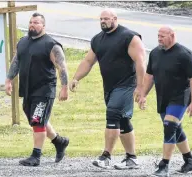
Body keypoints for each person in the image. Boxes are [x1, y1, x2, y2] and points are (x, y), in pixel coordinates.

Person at [69, 8, 146, 170]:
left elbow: (140, 62)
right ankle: (131, 158)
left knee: (112, 114)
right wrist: (76, 77)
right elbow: (88, 61)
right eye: (101, 19)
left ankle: (106, 156)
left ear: (115, 19)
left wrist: (140, 87)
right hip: (109, 86)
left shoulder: (129, 37)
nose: (103, 21)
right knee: (123, 120)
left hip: (126, 84)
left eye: (106, 19)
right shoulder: (98, 39)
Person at [5, 12, 70, 166]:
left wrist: (64, 87)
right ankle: (59, 141)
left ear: (43, 26)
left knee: (37, 120)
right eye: (31, 22)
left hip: (45, 89)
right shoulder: (23, 42)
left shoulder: (51, 45)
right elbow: (16, 62)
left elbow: (62, 68)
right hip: (28, 89)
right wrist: (9, 79)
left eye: (36, 22)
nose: (32, 25)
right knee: (36, 120)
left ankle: (36, 156)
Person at [138, 25, 192, 176]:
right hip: (163, 97)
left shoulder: (185, 54)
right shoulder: (155, 53)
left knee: (170, 126)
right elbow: (150, 76)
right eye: (158, 36)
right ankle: (189, 160)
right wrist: (143, 94)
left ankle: (164, 165)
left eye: (163, 36)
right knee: (175, 129)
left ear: (172, 36)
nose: (159, 39)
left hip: (181, 96)